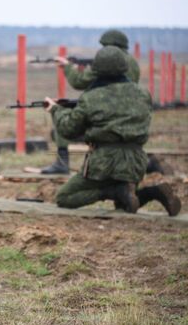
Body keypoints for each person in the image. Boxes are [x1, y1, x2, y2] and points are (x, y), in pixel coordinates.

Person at [44, 46, 181, 216]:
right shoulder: (143, 93)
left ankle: (112, 191)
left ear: (97, 69)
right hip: (135, 162)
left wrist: (56, 110)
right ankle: (154, 192)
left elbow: (68, 129)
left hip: (104, 164)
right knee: (125, 204)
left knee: (65, 197)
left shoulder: (92, 97)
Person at [41, 29, 141, 174]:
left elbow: (79, 81)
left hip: (105, 113)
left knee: (62, 119)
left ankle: (61, 164)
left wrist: (68, 67)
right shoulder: (133, 63)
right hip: (128, 116)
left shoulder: (107, 62)